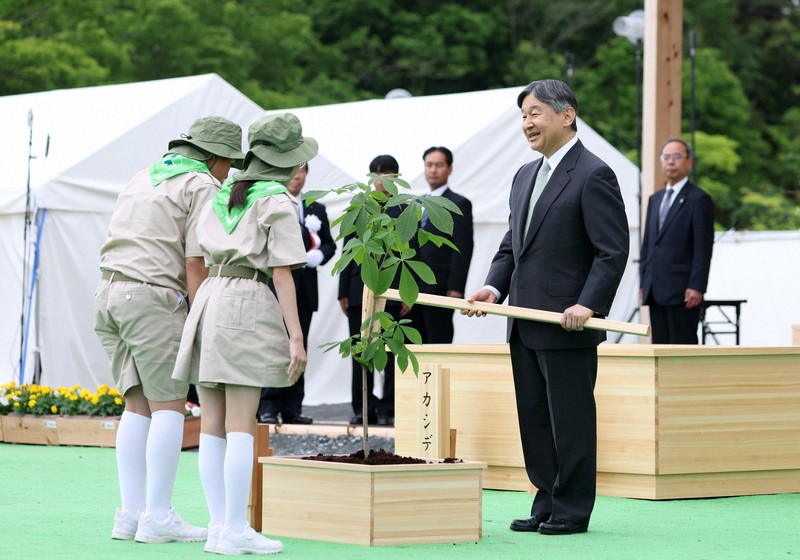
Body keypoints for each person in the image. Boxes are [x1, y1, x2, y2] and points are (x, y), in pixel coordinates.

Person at [464, 79, 629, 535]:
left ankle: (572, 509)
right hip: (523, 322)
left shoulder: (595, 173)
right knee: (534, 416)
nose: (526, 124)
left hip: (567, 324)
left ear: (567, 115)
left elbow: (611, 251)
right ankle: (546, 499)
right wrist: (493, 290)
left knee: (570, 420)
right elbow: (511, 244)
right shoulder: (524, 175)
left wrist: (589, 305)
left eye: (535, 113)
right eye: (523, 116)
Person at [94, 116, 245, 543]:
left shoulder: (144, 175)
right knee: (169, 407)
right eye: (229, 164)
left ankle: (130, 514)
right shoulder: (202, 185)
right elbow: (194, 262)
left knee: (137, 407)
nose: (229, 173)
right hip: (154, 299)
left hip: (109, 293)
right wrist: (202, 317)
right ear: (214, 156)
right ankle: (158, 516)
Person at [172, 112, 316, 555]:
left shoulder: (223, 194)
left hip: (210, 298)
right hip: (245, 301)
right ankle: (234, 528)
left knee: (212, 425)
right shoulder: (276, 200)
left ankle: (220, 526)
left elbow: (193, 259)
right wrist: (296, 336)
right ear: (287, 161)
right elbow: (284, 273)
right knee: (241, 425)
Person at [258, 161, 336, 424]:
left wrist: (318, 255)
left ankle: (293, 406)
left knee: (300, 343)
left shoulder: (316, 208)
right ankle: (267, 405)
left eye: (302, 170)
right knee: (272, 344)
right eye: (293, 170)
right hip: (274, 285)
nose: (297, 176)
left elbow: (329, 244)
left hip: (305, 288)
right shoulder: (271, 202)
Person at [337, 155, 402, 425]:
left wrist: (410, 294)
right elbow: (348, 248)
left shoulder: (404, 209)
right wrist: (343, 290)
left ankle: (388, 408)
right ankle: (362, 407)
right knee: (360, 349)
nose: (381, 181)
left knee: (390, 350)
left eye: (387, 175)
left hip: (394, 288)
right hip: (358, 287)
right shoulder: (360, 205)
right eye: (376, 175)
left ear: (397, 177)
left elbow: (412, 253)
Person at [640, 139, 714, 344]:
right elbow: (649, 244)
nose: (670, 162)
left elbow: (703, 247)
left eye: (677, 156)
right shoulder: (655, 199)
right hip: (655, 287)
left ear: (689, 162)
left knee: (682, 346)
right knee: (660, 347)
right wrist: (644, 280)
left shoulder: (699, 199)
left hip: (683, 291)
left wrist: (697, 286)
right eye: (666, 157)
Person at [404, 146, 473, 343]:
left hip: (440, 288)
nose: (433, 170)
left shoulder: (459, 203)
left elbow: (463, 248)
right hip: (411, 290)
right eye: (429, 165)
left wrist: (456, 288)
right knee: (412, 345)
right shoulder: (415, 204)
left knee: (437, 342)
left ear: (449, 168)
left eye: (439, 165)